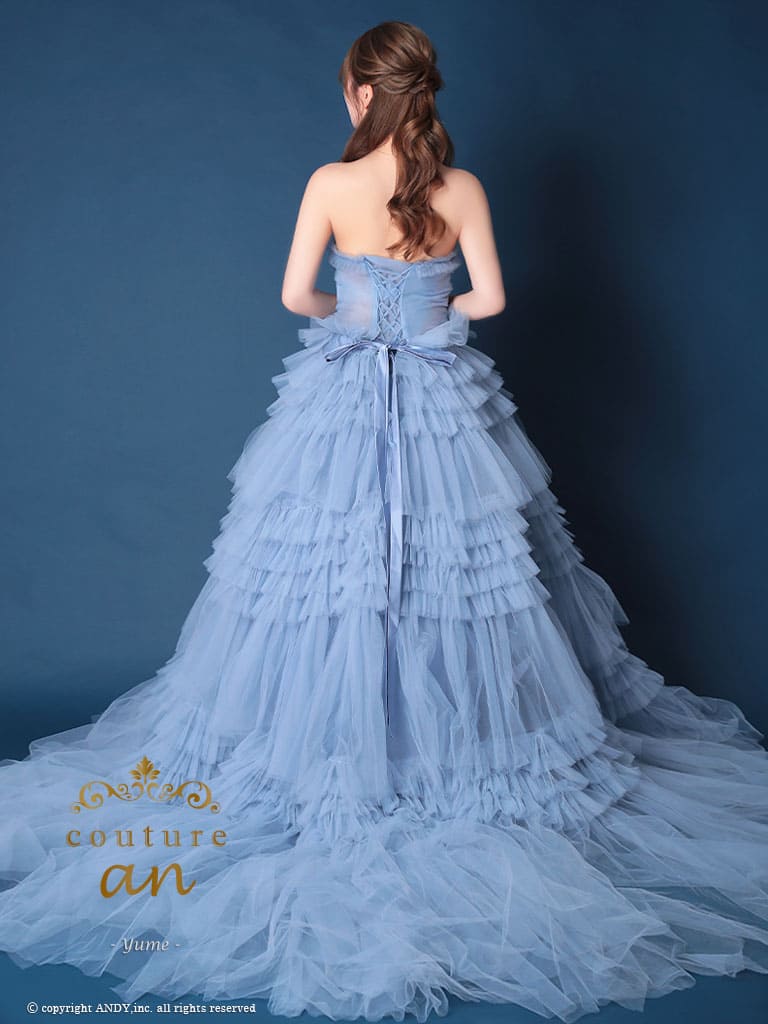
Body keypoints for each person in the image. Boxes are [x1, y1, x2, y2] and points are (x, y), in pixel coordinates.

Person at [1, 18, 767, 1024]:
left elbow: (295, 294)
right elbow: (490, 299)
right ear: (423, 94)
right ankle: (446, 747)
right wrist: (427, 323)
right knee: (463, 573)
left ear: (362, 94)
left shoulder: (330, 182)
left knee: (326, 571)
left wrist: (361, 321)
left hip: (342, 395)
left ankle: (347, 744)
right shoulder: (463, 189)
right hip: (446, 397)